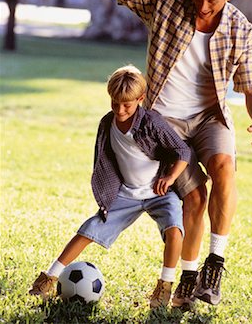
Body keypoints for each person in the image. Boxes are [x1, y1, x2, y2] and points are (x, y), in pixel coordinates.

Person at [38, 0, 252, 307]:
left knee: (224, 166)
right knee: (195, 197)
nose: (202, 4)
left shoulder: (242, 31)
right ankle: (188, 279)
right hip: (165, 123)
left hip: (210, 117)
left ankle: (215, 263)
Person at [29, 65, 199, 308]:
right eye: (115, 103)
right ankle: (48, 278)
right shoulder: (106, 123)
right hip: (126, 194)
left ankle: (165, 286)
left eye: (127, 105)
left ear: (140, 99)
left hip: (158, 194)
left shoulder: (151, 122)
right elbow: (105, 157)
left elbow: (183, 150)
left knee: (175, 230)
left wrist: (170, 178)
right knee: (89, 229)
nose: (120, 110)